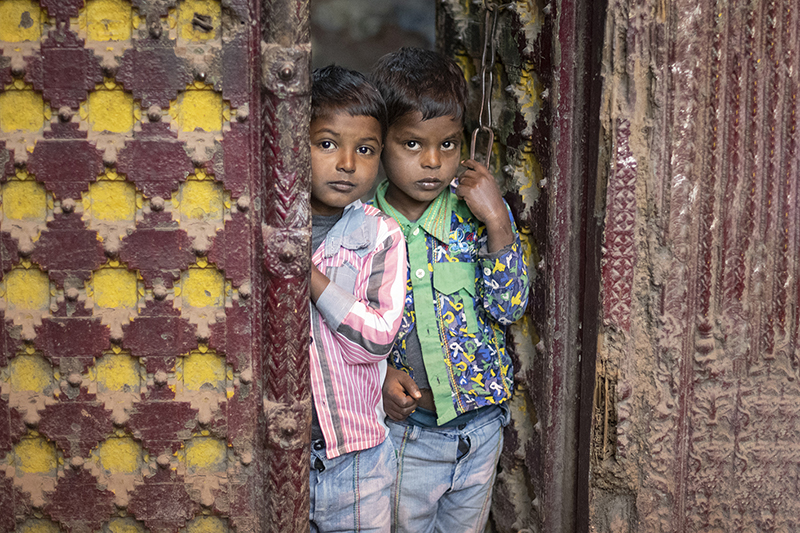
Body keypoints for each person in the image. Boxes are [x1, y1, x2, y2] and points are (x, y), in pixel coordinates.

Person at [370, 47, 529, 533]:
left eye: (449, 145)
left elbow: (510, 306)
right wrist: (377, 380)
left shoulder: (473, 220)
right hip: (405, 439)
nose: (434, 162)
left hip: (480, 435)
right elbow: (341, 333)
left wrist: (498, 219)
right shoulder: (360, 234)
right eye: (413, 145)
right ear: (378, 144)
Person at [307, 64, 407, 533]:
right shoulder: (261, 228)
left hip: (358, 461)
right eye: (327, 144)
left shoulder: (380, 235)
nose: (347, 163)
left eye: (364, 150)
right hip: (274, 455)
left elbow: (376, 340)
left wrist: (309, 278)